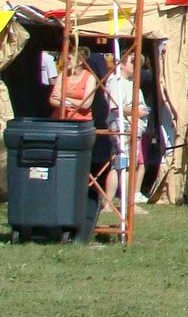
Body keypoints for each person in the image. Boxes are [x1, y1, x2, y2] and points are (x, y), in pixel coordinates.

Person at [105, 50, 150, 209]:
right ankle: (126, 204)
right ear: (122, 63)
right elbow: (116, 108)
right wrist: (136, 111)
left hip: (133, 126)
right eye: (133, 62)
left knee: (120, 164)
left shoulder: (131, 83)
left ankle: (111, 204)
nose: (137, 67)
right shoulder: (115, 81)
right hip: (122, 126)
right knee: (124, 164)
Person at [48, 46, 97, 121]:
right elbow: (53, 99)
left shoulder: (89, 78)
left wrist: (64, 98)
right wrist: (71, 103)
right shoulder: (63, 76)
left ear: (80, 61)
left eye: (69, 59)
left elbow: (86, 104)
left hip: (80, 121)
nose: (66, 61)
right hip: (60, 120)